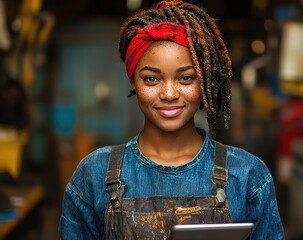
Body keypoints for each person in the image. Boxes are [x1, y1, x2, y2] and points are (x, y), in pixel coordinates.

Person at [59, 0, 284, 239]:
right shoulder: (94, 175)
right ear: (133, 81)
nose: (168, 94)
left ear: (204, 82)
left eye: (185, 78)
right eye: (151, 79)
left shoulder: (247, 176)